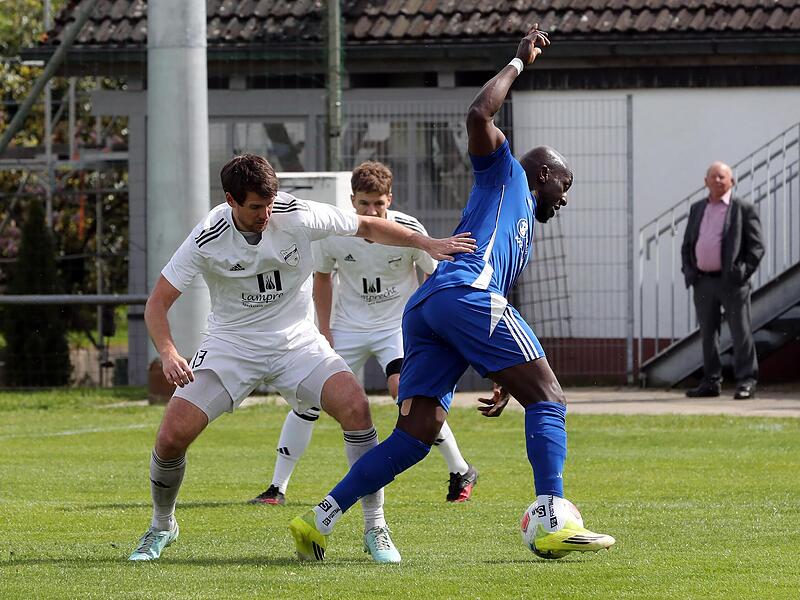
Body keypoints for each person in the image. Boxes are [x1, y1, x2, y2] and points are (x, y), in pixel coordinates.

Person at [288, 26, 615, 562]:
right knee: (551, 398)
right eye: (566, 184)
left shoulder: (521, 227)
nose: (566, 196)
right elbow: (477, 117)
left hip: (436, 307)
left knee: (418, 434)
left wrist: (506, 374)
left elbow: (494, 299)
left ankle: (318, 519)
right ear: (547, 173)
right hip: (461, 295)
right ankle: (553, 515)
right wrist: (517, 61)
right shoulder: (504, 173)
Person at [127, 154, 476, 563]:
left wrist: (427, 243)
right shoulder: (207, 235)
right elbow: (157, 303)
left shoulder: (298, 214)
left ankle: (375, 527)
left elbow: (365, 225)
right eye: (255, 207)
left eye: (269, 204)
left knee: (357, 409)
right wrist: (168, 353)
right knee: (170, 437)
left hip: (297, 343)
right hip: (231, 347)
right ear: (230, 201)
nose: (265, 214)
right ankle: (161, 526)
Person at [249, 161, 478, 508]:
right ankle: (277, 487)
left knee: (408, 394)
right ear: (352, 200)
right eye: (364, 204)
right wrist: (323, 330)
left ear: (390, 199)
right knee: (309, 399)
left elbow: (434, 276)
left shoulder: (410, 230)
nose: (372, 211)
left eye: (379, 204)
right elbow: (322, 278)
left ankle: (460, 470)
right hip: (347, 328)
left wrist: (429, 323)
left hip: (396, 328)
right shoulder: (336, 234)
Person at [681, 161, 764, 400]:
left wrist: (741, 273)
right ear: (705, 181)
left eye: (722, 177)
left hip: (733, 283)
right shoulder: (697, 208)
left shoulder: (743, 208)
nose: (718, 180)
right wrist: (689, 270)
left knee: (741, 333)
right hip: (703, 281)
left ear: (732, 182)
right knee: (708, 334)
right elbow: (688, 244)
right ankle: (711, 382)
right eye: (713, 177)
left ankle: (746, 381)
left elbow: (757, 247)